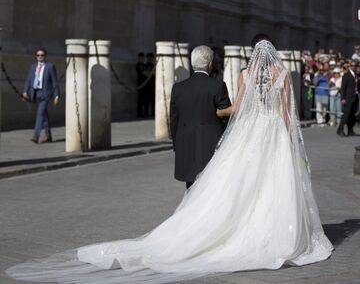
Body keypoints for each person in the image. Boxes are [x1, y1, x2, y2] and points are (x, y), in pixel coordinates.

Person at [7, 39, 333, 284]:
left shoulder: (247, 74)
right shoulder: (282, 73)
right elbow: (287, 113)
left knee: (242, 183)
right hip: (273, 131)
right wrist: (289, 140)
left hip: (252, 131)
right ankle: (274, 233)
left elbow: (239, 108)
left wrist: (220, 116)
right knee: (272, 184)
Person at [170, 45, 231, 189]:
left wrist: (177, 144)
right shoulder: (218, 86)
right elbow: (226, 115)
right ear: (210, 64)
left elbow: (174, 119)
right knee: (209, 189)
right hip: (211, 143)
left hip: (186, 142)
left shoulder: (178, 88)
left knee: (190, 188)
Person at [22, 48, 60, 143]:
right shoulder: (33, 66)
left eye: (42, 55)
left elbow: (55, 82)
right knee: (44, 115)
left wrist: (56, 96)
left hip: (45, 94)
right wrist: (25, 92)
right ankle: (48, 136)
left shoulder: (50, 66)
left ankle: (36, 136)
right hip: (35, 93)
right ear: (36, 57)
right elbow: (28, 80)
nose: (40, 57)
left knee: (39, 114)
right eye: (38, 55)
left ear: (45, 56)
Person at [337, 61, 359, 137]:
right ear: (349, 66)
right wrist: (343, 98)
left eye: (355, 65)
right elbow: (342, 88)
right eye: (352, 65)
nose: (354, 67)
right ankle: (340, 129)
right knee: (346, 114)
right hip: (348, 97)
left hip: (355, 97)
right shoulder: (346, 75)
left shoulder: (356, 75)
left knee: (352, 115)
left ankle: (350, 130)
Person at [136, 52, 149, 118]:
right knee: (140, 99)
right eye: (141, 57)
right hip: (141, 84)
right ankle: (140, 113)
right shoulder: (138, 65)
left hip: (145, 84)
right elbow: (145, 73)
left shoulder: (144, 65)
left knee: (145, 99)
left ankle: (144, 112)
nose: (142, 59)